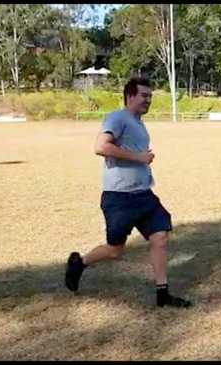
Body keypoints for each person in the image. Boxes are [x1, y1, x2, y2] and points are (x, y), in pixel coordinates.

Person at [65, 76, 193, 308]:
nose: (148, 100)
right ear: (130, 96)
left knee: (160, 236)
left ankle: (162, 293)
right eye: (144, 96)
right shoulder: (117, 117)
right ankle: (79, 263)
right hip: (119, 198)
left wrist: (143, 159)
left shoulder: (139, 123)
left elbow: (131, 151)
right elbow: (100, 147)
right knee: (115, 250)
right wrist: (139, 157)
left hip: (143, 194)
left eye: (150, 96)